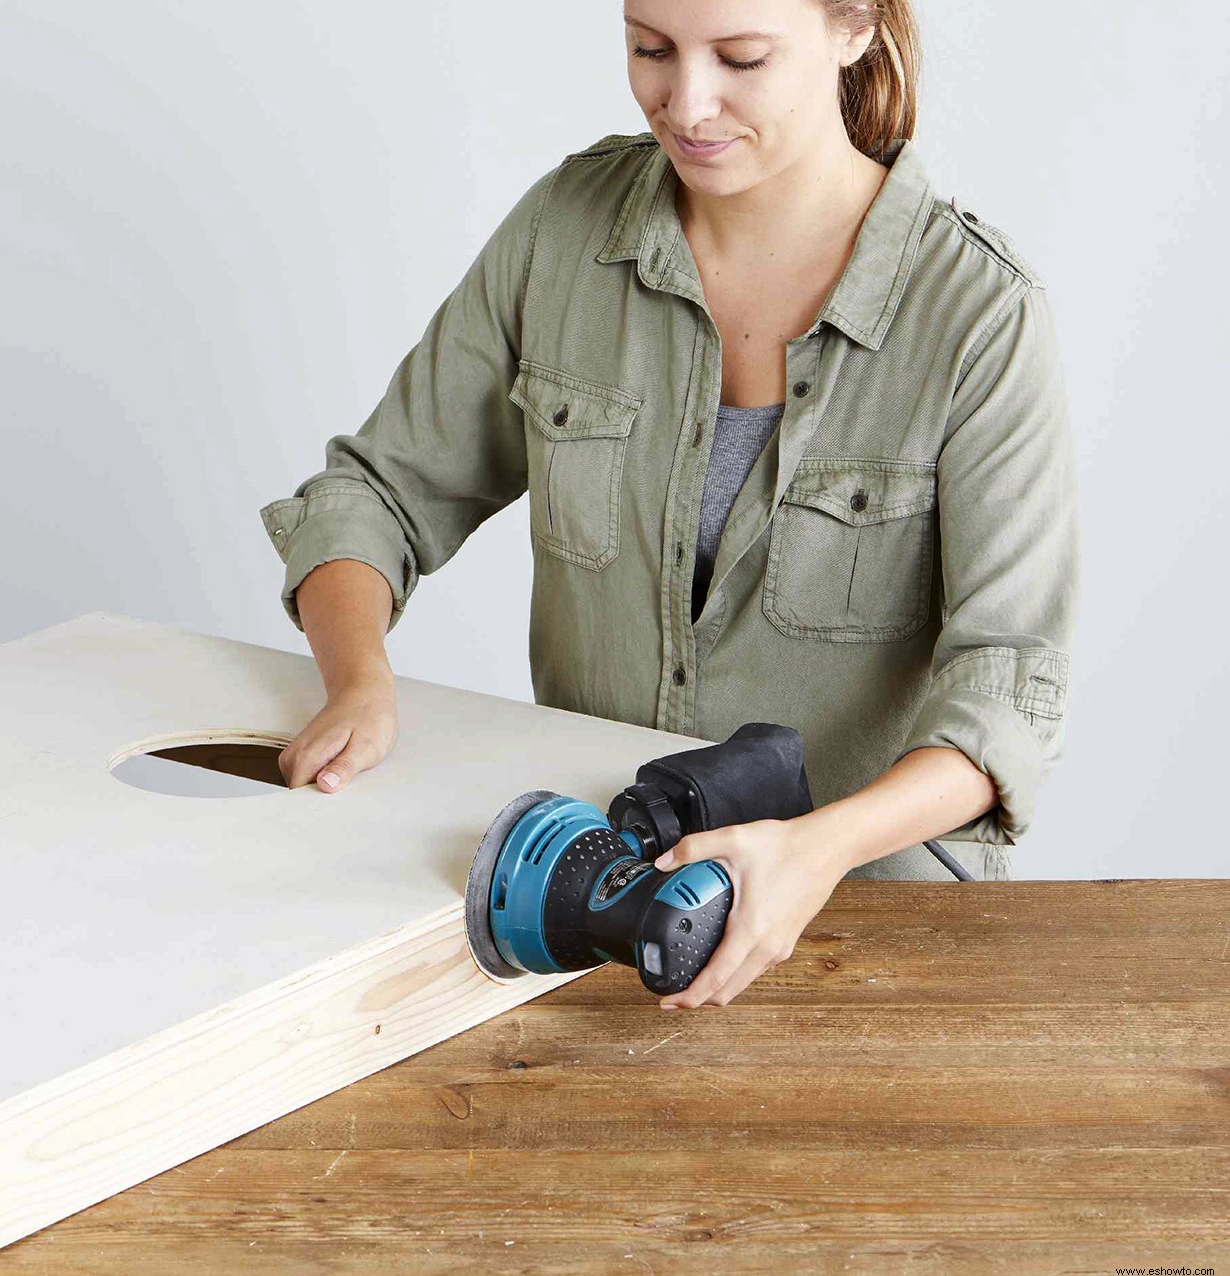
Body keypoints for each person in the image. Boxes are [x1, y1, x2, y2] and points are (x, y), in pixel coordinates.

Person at [256, 0, 1078, 1011]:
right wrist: (358, 678)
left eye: (739, 58)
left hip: (870, 936)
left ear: (855, 25)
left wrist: (814, 848)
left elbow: (1006, 688)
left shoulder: (977, 316)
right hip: (590, 925)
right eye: (650, 48)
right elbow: (376, 492)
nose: (685, 103)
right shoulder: (563, 235)